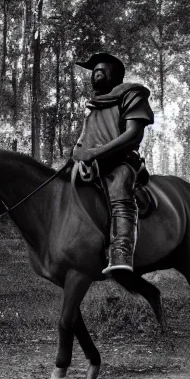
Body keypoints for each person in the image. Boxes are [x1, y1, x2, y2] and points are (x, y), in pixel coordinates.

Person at [72, 52, 154, 274]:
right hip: (90, 165)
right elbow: (85, 140)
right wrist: (79, 154)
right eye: (94, 71)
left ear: (115, 75)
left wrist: (97, 152)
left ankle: (121, 252)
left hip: (121, 163)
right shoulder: (94, 106)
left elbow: (134, 135)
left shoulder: (132, 94)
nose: (96, 72)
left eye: (102, 69)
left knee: (119, 189)